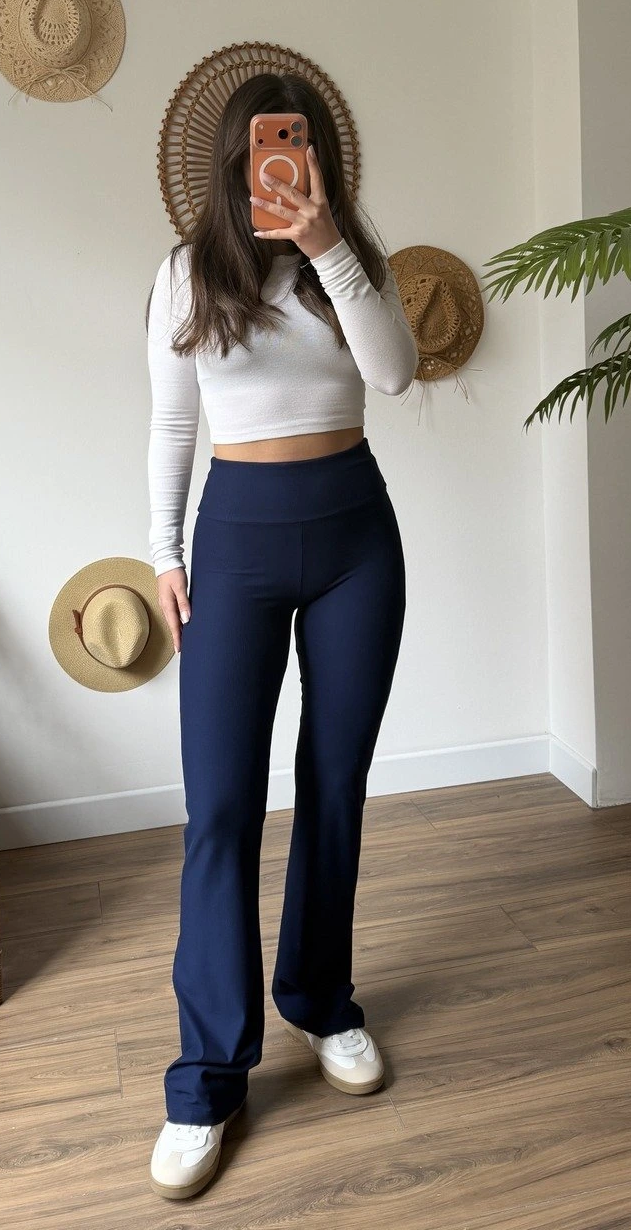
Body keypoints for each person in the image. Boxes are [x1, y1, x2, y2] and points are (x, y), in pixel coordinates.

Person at [144, 71, 418, 1199]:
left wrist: (329, 245)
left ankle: (320, 999)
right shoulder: (186, 272)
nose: (280, 162)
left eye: (296, 146)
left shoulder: (349, 260)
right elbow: (170, 422)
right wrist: (163, 551)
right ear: (235, 158)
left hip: (356, 535)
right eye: (264, 146)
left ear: (316, 157)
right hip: (237, 543)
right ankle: (208, 1077)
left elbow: (395, 372)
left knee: (333, 783)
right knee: (219, 806)